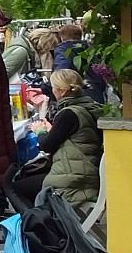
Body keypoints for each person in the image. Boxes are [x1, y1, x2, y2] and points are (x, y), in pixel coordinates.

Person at [17, 69, 104, 215]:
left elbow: (46, 146)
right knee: (28, 177)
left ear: (61, 91)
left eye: (53, 87)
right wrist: (53, 130)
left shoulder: (68, 113)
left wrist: (40, 131)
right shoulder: (88, 106)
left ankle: (42, 226)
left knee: (14, 188)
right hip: (85, 172)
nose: (52, 91)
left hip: (72, 180)